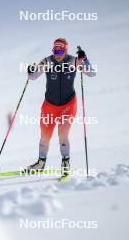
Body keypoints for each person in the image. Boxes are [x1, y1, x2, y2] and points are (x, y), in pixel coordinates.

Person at [25, 38, 96, 176]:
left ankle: (65, 163)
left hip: (68, 105)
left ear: (65, 50)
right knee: (45, 136)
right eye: (55, 50)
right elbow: (33, 77)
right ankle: (40, 163)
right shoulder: (47, 61)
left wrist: (85, 59)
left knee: (63, 134)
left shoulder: (74, 61)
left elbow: (92, 73)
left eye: (61, 51)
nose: (58, 54)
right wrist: (30, 70)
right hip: (49, 106)